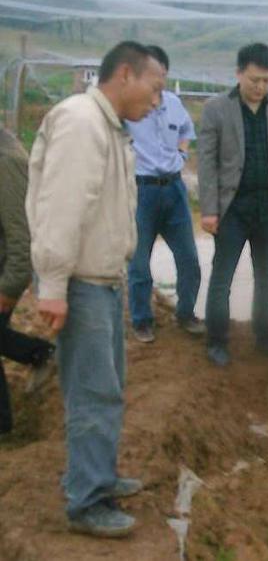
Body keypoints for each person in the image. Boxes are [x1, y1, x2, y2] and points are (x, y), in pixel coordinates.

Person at [27, 41, 165, 538]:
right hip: (81, 283)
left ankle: (96, 476)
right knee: (92, 393)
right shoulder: (83, 123)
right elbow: (62, 209)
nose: (156, 102)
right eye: (154, 89)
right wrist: (54, 285)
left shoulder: (108, 127)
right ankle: (87, 502)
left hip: (102, 281)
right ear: (125, 75)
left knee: (105, 389)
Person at [198, 42, 268, 367]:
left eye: (267, 81)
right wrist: (209, 209)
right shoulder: (216, 108)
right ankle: (217, 341)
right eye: (254, 80)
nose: (260, 87)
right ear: (239, 73)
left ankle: (266, 338)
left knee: (266, 278)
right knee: (222, 277)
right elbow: (207, 162)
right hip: (231, 209)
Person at [124, 44, 204, 343]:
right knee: (139, 263)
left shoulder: (173, 103)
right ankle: (142, 320)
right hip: (141, 191)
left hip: (174, 190)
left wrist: (181, 157)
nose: (157, 78)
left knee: (188, 259)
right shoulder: (129, 107)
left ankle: (186, 314)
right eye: (150, 72)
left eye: (162, 72)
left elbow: (186, 130)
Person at [0, 129, 55, 437]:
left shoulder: (7, 161)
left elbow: (21, 233)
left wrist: (9, 287)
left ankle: (3, 425)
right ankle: (38, 353)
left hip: (5, 269)